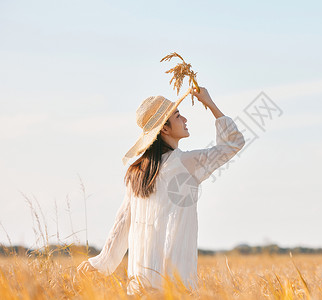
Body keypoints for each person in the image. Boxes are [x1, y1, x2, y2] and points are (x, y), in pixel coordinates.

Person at [76, 87, 246, 295]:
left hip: (140, 280)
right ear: (164, 129)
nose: (185, 119)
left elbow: (122, 222)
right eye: (177, 116)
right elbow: (234, 143)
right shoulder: (185, 163)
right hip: (175, 281)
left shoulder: (137, 172)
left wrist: (102, 261)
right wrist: (209, 103)